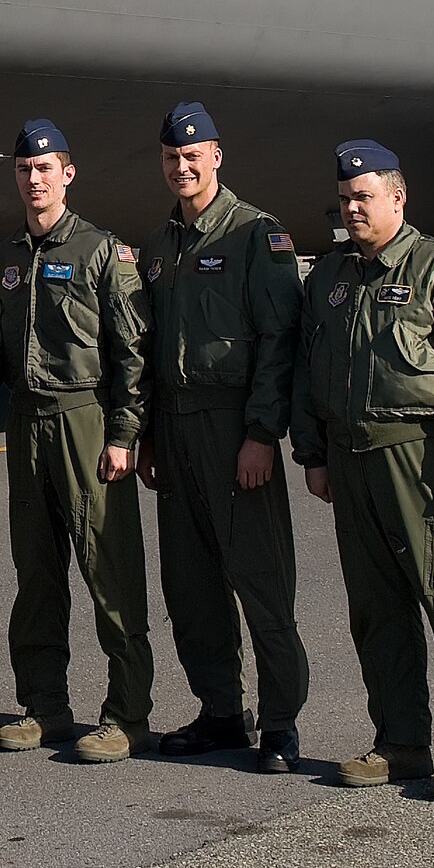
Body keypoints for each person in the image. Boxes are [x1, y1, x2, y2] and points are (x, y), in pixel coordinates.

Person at [292, 141, 434, 800]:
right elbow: (307, 370)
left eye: (365, 195)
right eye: (345, 198)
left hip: (417, 456)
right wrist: (313, 454)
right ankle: (401, 743)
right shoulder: (329, 278)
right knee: (376, 610)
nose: (353, 207)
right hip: (350, 460)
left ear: (398, 196)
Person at [136, 100, 309, 774]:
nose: (182, 166)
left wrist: (263, 434)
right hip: (175, 431)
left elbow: (279, 341)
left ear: (216, 156)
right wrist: (148, 437)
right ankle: (220, 713)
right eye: (172, 158)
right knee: (191, 585)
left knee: (260, 580)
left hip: (236, 426)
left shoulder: (255, 236)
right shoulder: (157, 249)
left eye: (193, 155)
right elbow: (146, 352)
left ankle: (282, 723)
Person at [0, 120, 153, 764]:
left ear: (67, 174)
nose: (34, 180)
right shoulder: (3, 261)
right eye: (24, 170)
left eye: (44, 168)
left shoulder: (102, 252)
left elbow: (131, 350)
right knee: (36, 570)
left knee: (108, 567)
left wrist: (123, 432)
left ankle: (128, 711)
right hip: (25, 423)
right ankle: (44, 705)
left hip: (86, 418)